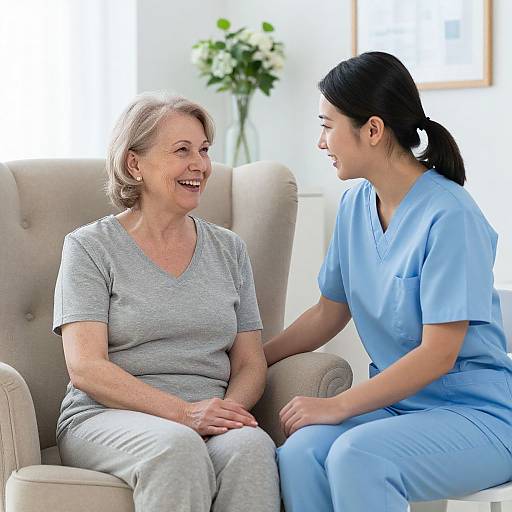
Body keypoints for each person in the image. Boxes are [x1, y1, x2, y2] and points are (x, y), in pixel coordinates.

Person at [264, 52, 512, 511]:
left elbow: (439, 354)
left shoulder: (450, 215)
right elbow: (327, 312)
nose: (321, 142)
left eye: (327, 125)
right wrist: (253, 362)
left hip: (479, 417)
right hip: (402, 409)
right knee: (299, 453)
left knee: (358, 457)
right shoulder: (356, 205)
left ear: (373, 130)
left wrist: (341, 404)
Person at [53, 92, 280, 512]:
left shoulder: (229, 249)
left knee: (251, 448)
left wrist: (224, 414)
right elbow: (85, 366)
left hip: (206, 414)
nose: (200, 164)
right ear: (134, 164)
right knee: (175, 448)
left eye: (204, 151)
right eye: (182, 151)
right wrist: (183, 414)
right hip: (104, 417)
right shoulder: (89, 247)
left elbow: (250, 362)